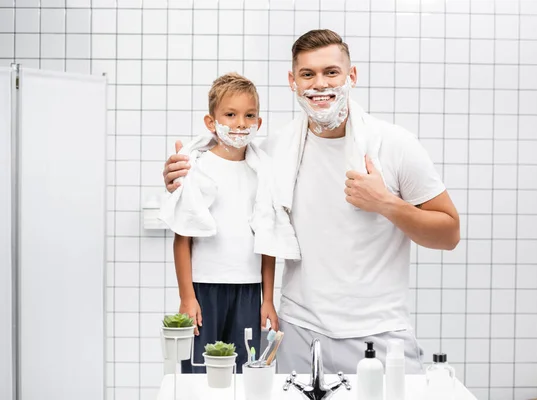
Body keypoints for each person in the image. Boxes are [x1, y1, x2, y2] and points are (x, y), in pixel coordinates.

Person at [162, 30, 460, 375]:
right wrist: (181, 174)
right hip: (297, 334)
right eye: (308, 74)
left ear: (352, 76)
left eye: (331, 72)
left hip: (378, 334)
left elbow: (449, 234)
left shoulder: (394, 146)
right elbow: (219, 163)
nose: (320, 84)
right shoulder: (273, 152)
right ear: (293, 81)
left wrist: (386, 204)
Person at [160, 72, 299, 374]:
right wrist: (187, 297)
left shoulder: (262, 171)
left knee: (245, 371)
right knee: (199, 370)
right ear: (211, 122)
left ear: (259, 123)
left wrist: (268, 301)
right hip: (204, 287)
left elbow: (268, 238)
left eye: (249, 115)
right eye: (231, 114)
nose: (240, 123)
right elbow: (182, 237)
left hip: (248, 290)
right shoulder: (197, 167)